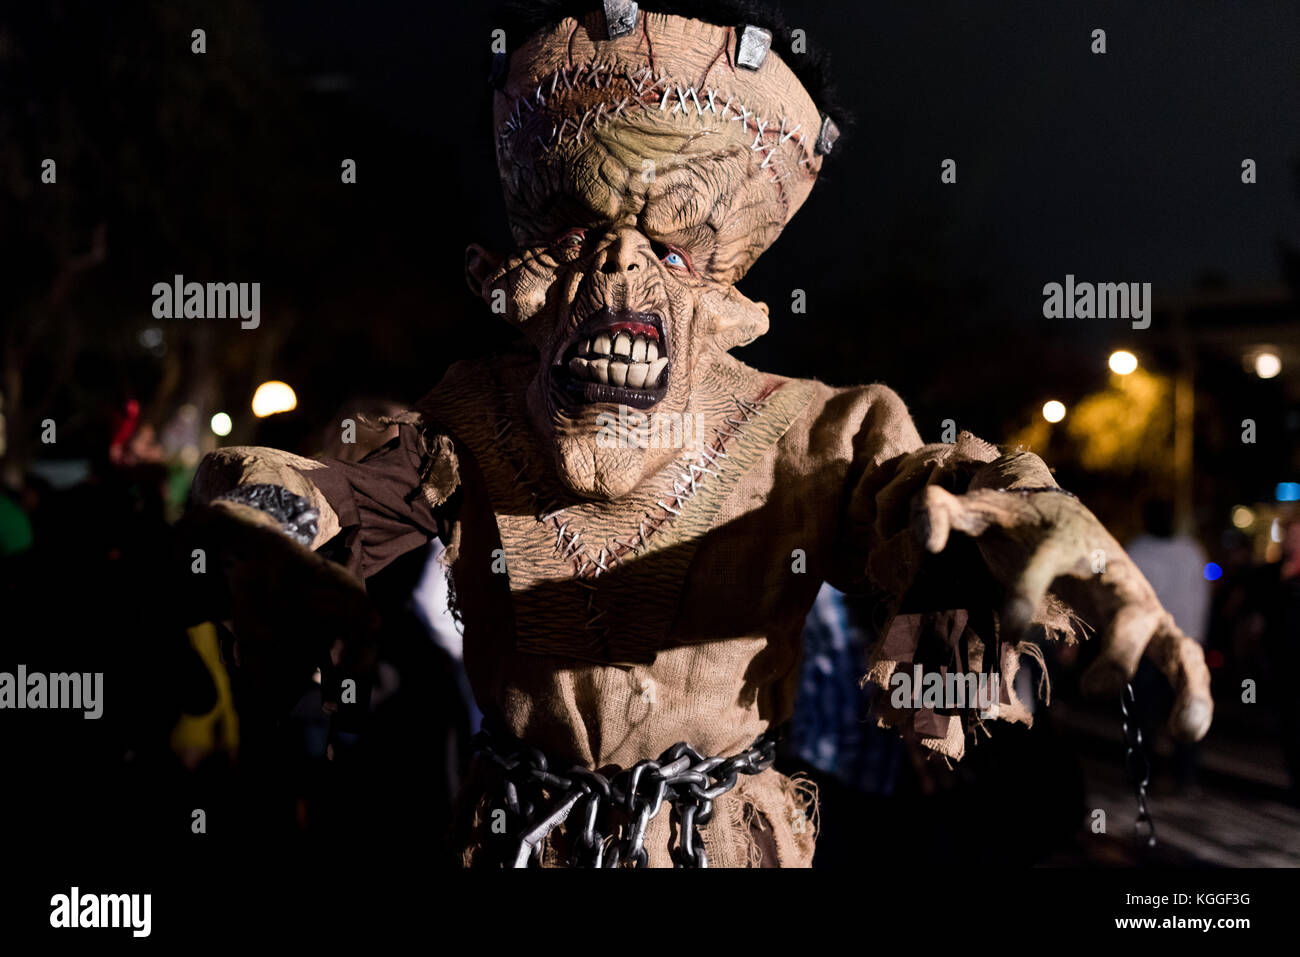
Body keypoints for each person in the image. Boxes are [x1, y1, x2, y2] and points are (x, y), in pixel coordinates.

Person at [180, 0, 1212, 867]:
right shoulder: (472, 409)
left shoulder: (816, 429)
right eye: (587, 235)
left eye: (671, 246)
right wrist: (270, 520)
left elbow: (915, 497)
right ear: (523, 273)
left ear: (729, 289)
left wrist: (1014, 516)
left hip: (724, 844)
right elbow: (354, 499)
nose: (623, 272)